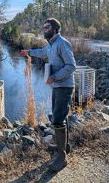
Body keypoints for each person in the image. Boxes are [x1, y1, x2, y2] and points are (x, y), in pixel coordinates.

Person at [21, 18, 76, 172]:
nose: (44, 29)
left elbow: (71, 66)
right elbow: (42, 52)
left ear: (55, 29)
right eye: (43, 27)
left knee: (58, 120)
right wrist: (28, 52)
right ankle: (64, 146)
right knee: (61, 116)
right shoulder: (50, 45)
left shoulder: (62, 43)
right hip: (57, 86)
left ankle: (62, 157)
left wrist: (54, 77)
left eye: (47, 27)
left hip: (64, 86)